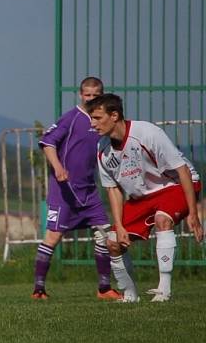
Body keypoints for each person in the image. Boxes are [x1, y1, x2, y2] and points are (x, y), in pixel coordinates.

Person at [87, 93, 203, 302]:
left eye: (97, 118)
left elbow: (182, 170)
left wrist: (193, 213)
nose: (93, 124)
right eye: (91, 118)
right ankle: (130, 295)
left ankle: (163, 290)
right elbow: (113, 189)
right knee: (112, 242)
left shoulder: (148, 133)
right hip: (142, 197)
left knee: (162, 219)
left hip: (175, 185)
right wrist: (119, 226)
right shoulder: (102, 148)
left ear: (114, 115)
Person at [30, 77, 122, 301]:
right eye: (87, 95)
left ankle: (103, 288)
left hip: (89, 191)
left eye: (96, 95)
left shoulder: (100, 121)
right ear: (80, 95)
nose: (91, 99)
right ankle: (38, 289)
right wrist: (59, 168)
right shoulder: (71, 119)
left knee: (104, 235)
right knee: (52, 237)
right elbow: (48, 143)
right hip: (64, 191)